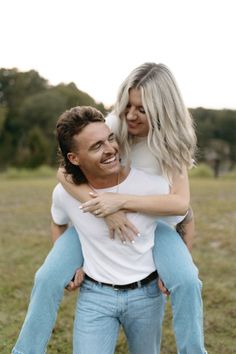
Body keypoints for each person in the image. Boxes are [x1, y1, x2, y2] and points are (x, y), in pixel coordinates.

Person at [12, 63, 207, 354]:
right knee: (46, 278)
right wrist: (106, 209)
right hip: (95, 220)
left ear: (163, 108)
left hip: (155, 226)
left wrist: (121, 202)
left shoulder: (173, 142)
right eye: (127, 104)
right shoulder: (114, 126)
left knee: (188, 281)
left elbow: (181, 204)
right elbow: (64, 173)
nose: (131, 115)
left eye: (142, 109)